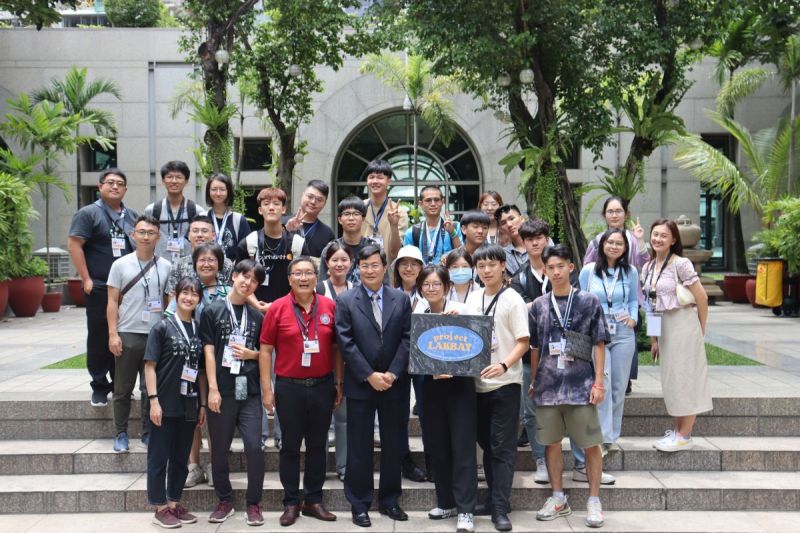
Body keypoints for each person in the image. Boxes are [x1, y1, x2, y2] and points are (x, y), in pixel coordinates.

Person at [260, 256, 343, 526]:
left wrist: (338, 383)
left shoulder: (330, 306)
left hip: (322, 386)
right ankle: (291, 502)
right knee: (290, 448)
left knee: (318, 445)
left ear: (316, 277)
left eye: (309, 273)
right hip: (289, 388)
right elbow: (265, 349)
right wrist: (267, 389)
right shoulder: (278, 308)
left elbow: (336, 349)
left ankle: (313, 500)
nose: (304, 278)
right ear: (289, 279)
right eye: (298, 274)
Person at [530, 245, 609, 529]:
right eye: (550, 267)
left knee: (590, 445)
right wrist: (535, 380)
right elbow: (536, 347)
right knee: (550, 444)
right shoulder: (539, 305)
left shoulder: (589, 302)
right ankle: (558, 497)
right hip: (548, 387)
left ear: (571, 268)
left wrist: (599, 381)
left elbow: (599, 343)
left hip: (581, 386)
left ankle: (594, 500)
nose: (555, 271)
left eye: (560, 266)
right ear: (544, 271)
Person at [335, 244, 412, 527]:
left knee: (393, 443)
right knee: (359, 445)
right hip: (361, 383)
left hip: (394, 384)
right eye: (364, 265)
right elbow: (346, 342)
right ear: (358, 269)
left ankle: (390, 499)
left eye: (375, 265)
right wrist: (369, 375)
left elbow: (407, 338)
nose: (370, 270)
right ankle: (359, 502)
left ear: (384, 267)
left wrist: (391, 373)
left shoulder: (400, 299)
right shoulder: (346, 301)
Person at [467, 244, 529, 532]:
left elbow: (523, 341)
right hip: (476, 385)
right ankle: (494, 499)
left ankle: (501, 508)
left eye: (492, 264)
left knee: (502, 448)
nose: (486, 270)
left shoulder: (513, 299)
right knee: (487, 444)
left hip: (505, 384)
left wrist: (503, 365)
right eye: (481, 266)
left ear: (503, 266)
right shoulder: (473, 296)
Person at [199, 260, 266, 526]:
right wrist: (212, 390)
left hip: (249, 392)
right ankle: (224, 500)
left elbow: (268, 354)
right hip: (223, 392)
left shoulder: (259, 317)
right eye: (243, 276)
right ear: (234, 276)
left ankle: (254, 503)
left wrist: (254, 354)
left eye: (253, 280)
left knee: (254, 446)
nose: (247, 282)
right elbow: (209, 352)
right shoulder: (212, 311)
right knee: (219, 448)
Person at [68, 168, 138, 407]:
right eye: (110, 182)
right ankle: (99, 386)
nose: (115, 186)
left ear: (126, 190)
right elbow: (74, 245)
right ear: (100, 187)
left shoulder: (131, 216)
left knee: (124, 337)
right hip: (99, 286)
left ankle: (119, 384)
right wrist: (85, 278)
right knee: (100, 336)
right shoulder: (88, 214)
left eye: (120, 183)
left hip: (128, 289)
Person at [415, 265, 477, 533]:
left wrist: (458, 324)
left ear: (447, 286)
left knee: (462, 447)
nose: (431, 289)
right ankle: (446, 501)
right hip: (429, 387)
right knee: (436, 445)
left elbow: (477, 347)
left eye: (436, 284)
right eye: (426, 285)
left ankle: (466, 510)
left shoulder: (461, 312)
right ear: (420, 289)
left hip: (460, 388)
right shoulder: (417, 315)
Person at [643, 218, 712, 452]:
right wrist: (654, 339)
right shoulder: (648, 267)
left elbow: (702, 298)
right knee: (672, 380)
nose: (658, 239)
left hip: (683, 324)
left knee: (686, 379)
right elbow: (651, 306)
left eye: (663, 235)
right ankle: (678, 432)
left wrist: (700, 329)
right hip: (664, 328)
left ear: (673, 240)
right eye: (655, 234)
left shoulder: (681, 264)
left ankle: (684, 435)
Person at [165, 241, 230, 489]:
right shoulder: (187, 289)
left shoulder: (227, 290)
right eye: (201, 259)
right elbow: (169, 320)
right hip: (189, 362)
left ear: (220, 264)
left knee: (215, 414)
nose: (206, 263)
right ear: (194, 264)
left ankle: (215, 465)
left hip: (219, 361)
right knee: (191, 414)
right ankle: (194, 466)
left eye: (212, 259)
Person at [106, 215, 172, 452]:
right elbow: (112, 302)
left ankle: (147, 432)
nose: (145, 237)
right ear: (133, 235)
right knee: (122, 388)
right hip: (127, 333)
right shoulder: (120, 265)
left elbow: (168, 303)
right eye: (141, 232)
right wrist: (113, 334)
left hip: (155, 335)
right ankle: (121, 433)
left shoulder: (166, 266)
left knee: (149, 388)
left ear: (158, 237)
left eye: (150, 232)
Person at [144, 277, 205, 529]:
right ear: (176, 295)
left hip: (189, 403)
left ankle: (173, 503)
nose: (189, 297)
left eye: (194, 294)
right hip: (164, 402)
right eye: (185, 293)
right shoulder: (162, 328)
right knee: (158, 456)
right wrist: (153, 401)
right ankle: (159, 507)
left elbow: (200, 371)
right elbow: (149, 366)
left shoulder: (199, 329)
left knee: (181, 457)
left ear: (199, 299)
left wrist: (202, 404)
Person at [579, 229, 639, 454]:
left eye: (619, 243)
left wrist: (633, 318)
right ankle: (602, 437)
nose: (614, 246)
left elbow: (633, 300)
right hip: (597, 333)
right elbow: (581, 299)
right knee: (602, 382)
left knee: (619, 386)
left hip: (623, 333)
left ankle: (612, 435)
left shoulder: (630, 271)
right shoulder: (589, 271)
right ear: (602, 245)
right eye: (610, 242)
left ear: (625, 248)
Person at [583, 196, 648, 395]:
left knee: (626, 347)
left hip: (627, 303)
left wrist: (640, 240)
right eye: (610, 211)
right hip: (601, 308)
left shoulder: (633, 239)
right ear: (604, 215)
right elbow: (588, 269)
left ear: (625, 214)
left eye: (618, 211)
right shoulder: (598, 241)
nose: (614, 215)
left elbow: (645, 264)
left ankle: (626, 379)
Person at [316, 242, 354, 482]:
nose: (339, 264)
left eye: (344, 259)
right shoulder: (317, 289)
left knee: (344, 420)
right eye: (335, 260)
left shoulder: (357, 289)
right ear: (327, 263)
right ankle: (318, 468)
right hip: (320, 362)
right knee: (319, 421)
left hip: (349, 364)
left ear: (351, 263)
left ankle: (344, 467)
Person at [390, 245, 428, 482]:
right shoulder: (389, 294)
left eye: (414, 263)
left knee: (427, 411)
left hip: (426, 361)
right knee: (399, 414)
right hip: (398, 361)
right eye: (403, 263)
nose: (408, 268)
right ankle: (404, 460)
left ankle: (434, 459)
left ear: (422, 268)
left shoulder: (431, 292)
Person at [236, 187, 301, 313]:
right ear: (260, 210)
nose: (271, 208)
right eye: (266, 204)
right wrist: (258, 306)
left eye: (276, 204)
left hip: (289, 311)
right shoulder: (248, 243)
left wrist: (278, 306)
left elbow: (304, 281)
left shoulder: (297, 243)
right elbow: (240, 280)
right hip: (254, 311)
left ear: (283, 209)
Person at [144, 160, 206, 263]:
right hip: (160, 266)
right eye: (169, 177)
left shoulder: (197, 211)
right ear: (163, 180)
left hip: (189, 266)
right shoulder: (152, 210)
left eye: (179, 177)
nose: (174, 181)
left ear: (186, 181)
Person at [164, 215, 233, 299]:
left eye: (204, 231)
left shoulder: (225, 264)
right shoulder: (179, 265)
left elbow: (231, 294)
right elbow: (172, 295)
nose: (199, 235)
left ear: (213, 236)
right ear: (189, 235)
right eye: (195, 231)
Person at [318, 196, 378, 283]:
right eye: (346, 214)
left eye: (356, 214)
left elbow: (383, 283)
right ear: (340, 220)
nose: (351, 218)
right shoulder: (330, 249)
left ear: (363, 219)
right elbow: (322, 285)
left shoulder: (374, 248)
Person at [361, 159, 407, 262]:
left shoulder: (398, 212)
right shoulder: (359, 207)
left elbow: (396, 252)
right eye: (371, 177)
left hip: (388, 272)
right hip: (362, 271)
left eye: (380, 178)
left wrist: (394, 225)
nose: (375, 181)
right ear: (367, 181)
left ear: (388, 182)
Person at [403, 185, 461, 265]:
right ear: (421, 204)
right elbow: (407, 260)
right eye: (428, 200)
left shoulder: (454, 227)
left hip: (448, 276)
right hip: (422, 276)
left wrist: (452, 233)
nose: (433, 204)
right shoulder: (412, 232)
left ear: (442, 202)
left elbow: (462, 254)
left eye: (436, 200)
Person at [283, 179, 336, 259]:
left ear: (324, 204)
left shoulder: (328, 233)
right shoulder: (282, 222)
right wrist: (285, 230)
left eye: (319, 200)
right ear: (302, 195)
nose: (313, 202)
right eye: (310, 196)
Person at [205, 173, 251, 262]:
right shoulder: (202, 218)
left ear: (228, 192)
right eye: (214, 189)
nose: (218, 193)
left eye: (222, 189)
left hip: (232, 272)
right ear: (208, 192)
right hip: (206, 269)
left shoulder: (238, 220)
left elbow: (246, 250)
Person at [495, 204, 527, 276]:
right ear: (500, 228)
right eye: (503, 223)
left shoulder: (541, 243)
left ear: (522, 219)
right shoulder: (502, 254)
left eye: (512, 218)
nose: (509, 224)